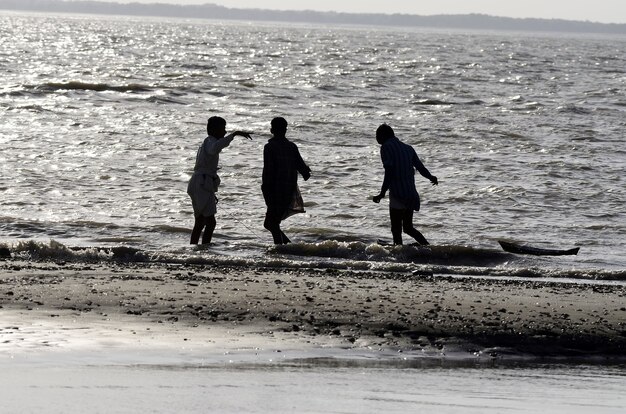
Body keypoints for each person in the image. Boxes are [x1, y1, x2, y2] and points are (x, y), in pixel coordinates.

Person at [187, 116, 252, 244]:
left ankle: (195, 249)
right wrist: (234, 134)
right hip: (201, 185)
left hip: (199, 184)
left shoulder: (206, 142)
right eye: (223, 129)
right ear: (213, 130)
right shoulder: (210, 142)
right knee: (210, 223)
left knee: (200, 222)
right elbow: (215, 148)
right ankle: (204, 248)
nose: (224, 132)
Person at [372, 123, 438, 245]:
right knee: (408, 228)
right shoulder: (408, 148)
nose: (376, 138)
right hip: (410, 193)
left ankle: (399, 254)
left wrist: (382, 193)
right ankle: (428, 248)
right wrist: (431, 177)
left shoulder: (386, 147)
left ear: (384, 135)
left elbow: (389, 171)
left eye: (377, 135)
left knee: (396, 229)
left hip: (397, 194)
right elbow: (421, 168)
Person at [262, 117, 311, 244]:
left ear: (272, 129)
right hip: (288, 190)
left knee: (271, 223)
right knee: (272, 223)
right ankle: (286, 247)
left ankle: (283, 248)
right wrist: (306, 172)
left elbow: (268, 171)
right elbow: (303, 169)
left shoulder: (269, 147)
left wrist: (265, 189)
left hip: (274, 190)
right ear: (285, 130)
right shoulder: (291, 146)